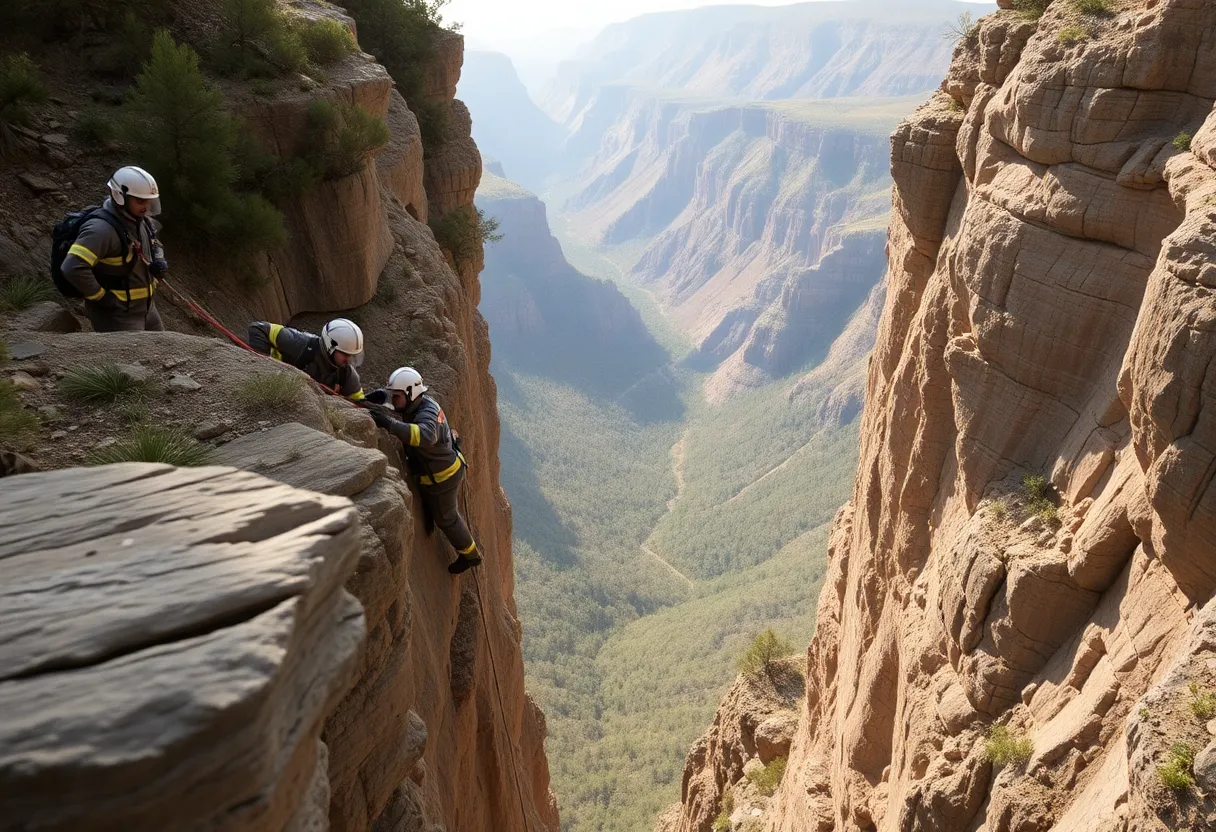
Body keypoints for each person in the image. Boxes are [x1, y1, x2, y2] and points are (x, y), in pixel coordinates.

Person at [367, 367, 481, 574]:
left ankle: (470, 555)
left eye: (397, 396)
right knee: (437, 508)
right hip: (439, 470)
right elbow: (398, 403)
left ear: (411, 394)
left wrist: (389, 424)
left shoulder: (427, 413)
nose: (393, 400)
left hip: (444, 477)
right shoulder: (417, 402)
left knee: (447, 518)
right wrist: (378, 397)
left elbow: (426, 436)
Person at [60, 166, 168, 332]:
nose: (146, 206)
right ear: (120, 196)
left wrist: (159, 259)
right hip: (118, 315)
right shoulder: (101, 230)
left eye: (149, 201)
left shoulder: (141, 220)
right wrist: (102, 298)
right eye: (140, 201)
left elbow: (155, 242)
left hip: (146, 309)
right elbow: (72, 266)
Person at [247, 318, 367, 401]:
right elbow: (258, 329)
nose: (349, 360)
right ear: (330, 346)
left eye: (352, 355)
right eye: (345, 354)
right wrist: (265, 368)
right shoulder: (299, 344)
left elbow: (358, 401)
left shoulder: (346, 373)